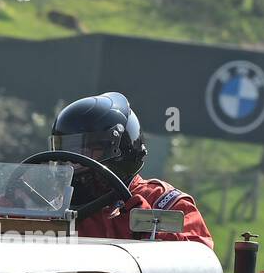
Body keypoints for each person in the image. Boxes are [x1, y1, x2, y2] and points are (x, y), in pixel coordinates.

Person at [50, 93, 212, 247]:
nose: (70, 160)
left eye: (84, 151)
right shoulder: (52, 207)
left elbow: (200, 259)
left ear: (119, 150)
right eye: (66, 151)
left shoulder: (164, 203)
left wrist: (148, 229)